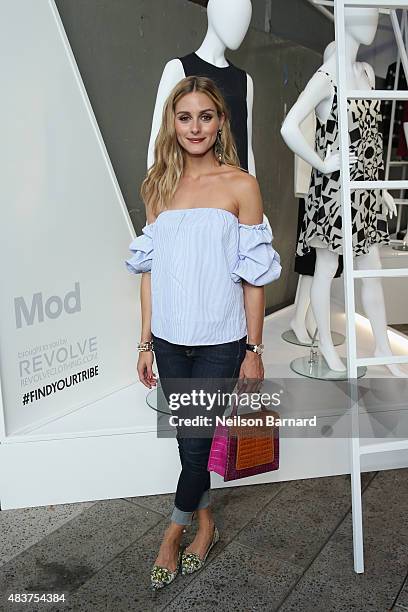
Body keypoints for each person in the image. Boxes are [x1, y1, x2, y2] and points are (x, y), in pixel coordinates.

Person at [125, 75, 281, 590]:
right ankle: (207, 523)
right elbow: (149, 272)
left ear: (221, 123)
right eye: (185, 116)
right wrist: (146, 340)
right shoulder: (158, 186)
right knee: (188, 444)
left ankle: (173, 532)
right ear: (173, 123)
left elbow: (253, 278)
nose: (195, 127)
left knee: (193, 445)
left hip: (220, 341)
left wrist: (253, 350)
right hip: (170, 339)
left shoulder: (241, 185)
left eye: (206, 116)